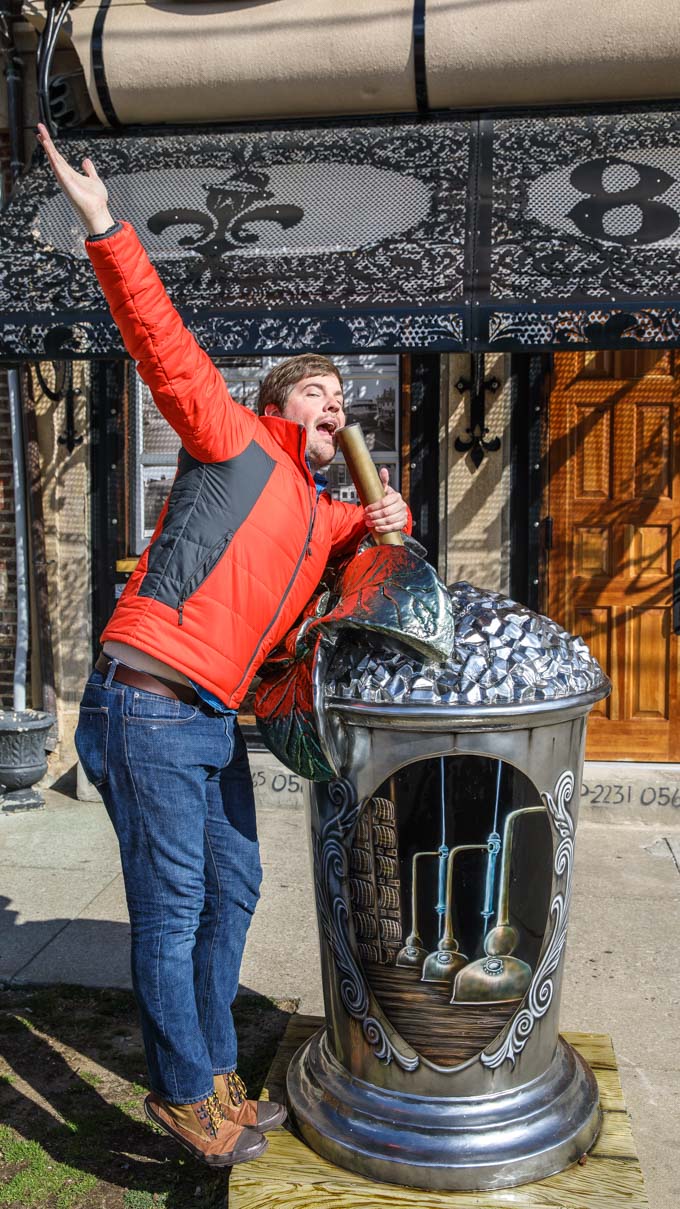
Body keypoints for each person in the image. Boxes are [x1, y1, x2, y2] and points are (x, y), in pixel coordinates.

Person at [36, 125, 410, 1169]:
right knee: (175, 900)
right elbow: (158, 336)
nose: (336, 401)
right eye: (316, 391)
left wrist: (387, 526)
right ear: (274, 404)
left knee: (235, 886)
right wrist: (106, 225)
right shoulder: (229, 439)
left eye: (344, 395)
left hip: (211, 718)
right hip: (147, 703)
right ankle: (185, 1090)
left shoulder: (320, 509)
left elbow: (369, 569)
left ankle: (208, 1067)